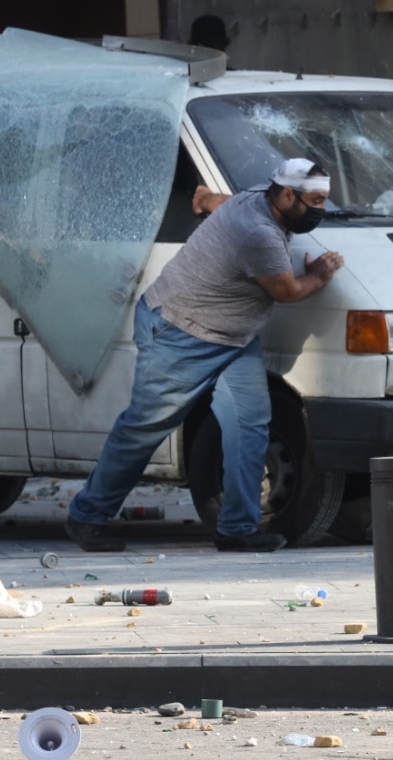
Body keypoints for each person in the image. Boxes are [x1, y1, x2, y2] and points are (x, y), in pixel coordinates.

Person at [65, 158, 345, 553]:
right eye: (314, 200)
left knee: (249, 424)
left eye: (325, 200)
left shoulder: (254, 198)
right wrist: (321, 272)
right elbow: (287, 291)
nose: (320, 210)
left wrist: (206, 200)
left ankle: (237, 529)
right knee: (145, 427)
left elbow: (224, 202)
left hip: (233, 336)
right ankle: (87, 517)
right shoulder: (259, 234)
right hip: (181, 331)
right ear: (286, 194)